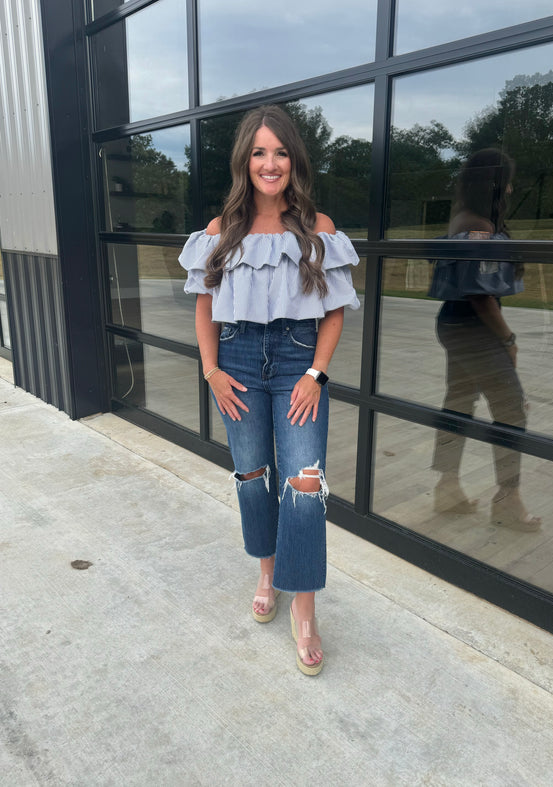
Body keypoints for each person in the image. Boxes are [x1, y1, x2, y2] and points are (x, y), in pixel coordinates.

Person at [179, 105, 360, 674]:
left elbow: (333, 311)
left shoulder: (317, 229)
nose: (270, 163)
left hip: (296, 362)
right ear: (245, 161)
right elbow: (206, 308)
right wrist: (210, 370)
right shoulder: (220, 232)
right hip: (234, 357)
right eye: (259, 152)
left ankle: (303, 607)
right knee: (252, 472)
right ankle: (267, 571)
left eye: (280, 152)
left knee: (304, 481)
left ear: (294, 160)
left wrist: (316, 374)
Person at [429, 148, 541, 531]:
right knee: (511, 409)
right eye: (507, 180)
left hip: (455, 323)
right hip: (474, 327)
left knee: (458, 403)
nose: (510, 188)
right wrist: (508, 339)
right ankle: (508, 499)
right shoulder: (479, 227)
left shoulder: (462, 218)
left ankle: (448, 488)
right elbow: (480, 294)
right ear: (495, 185)